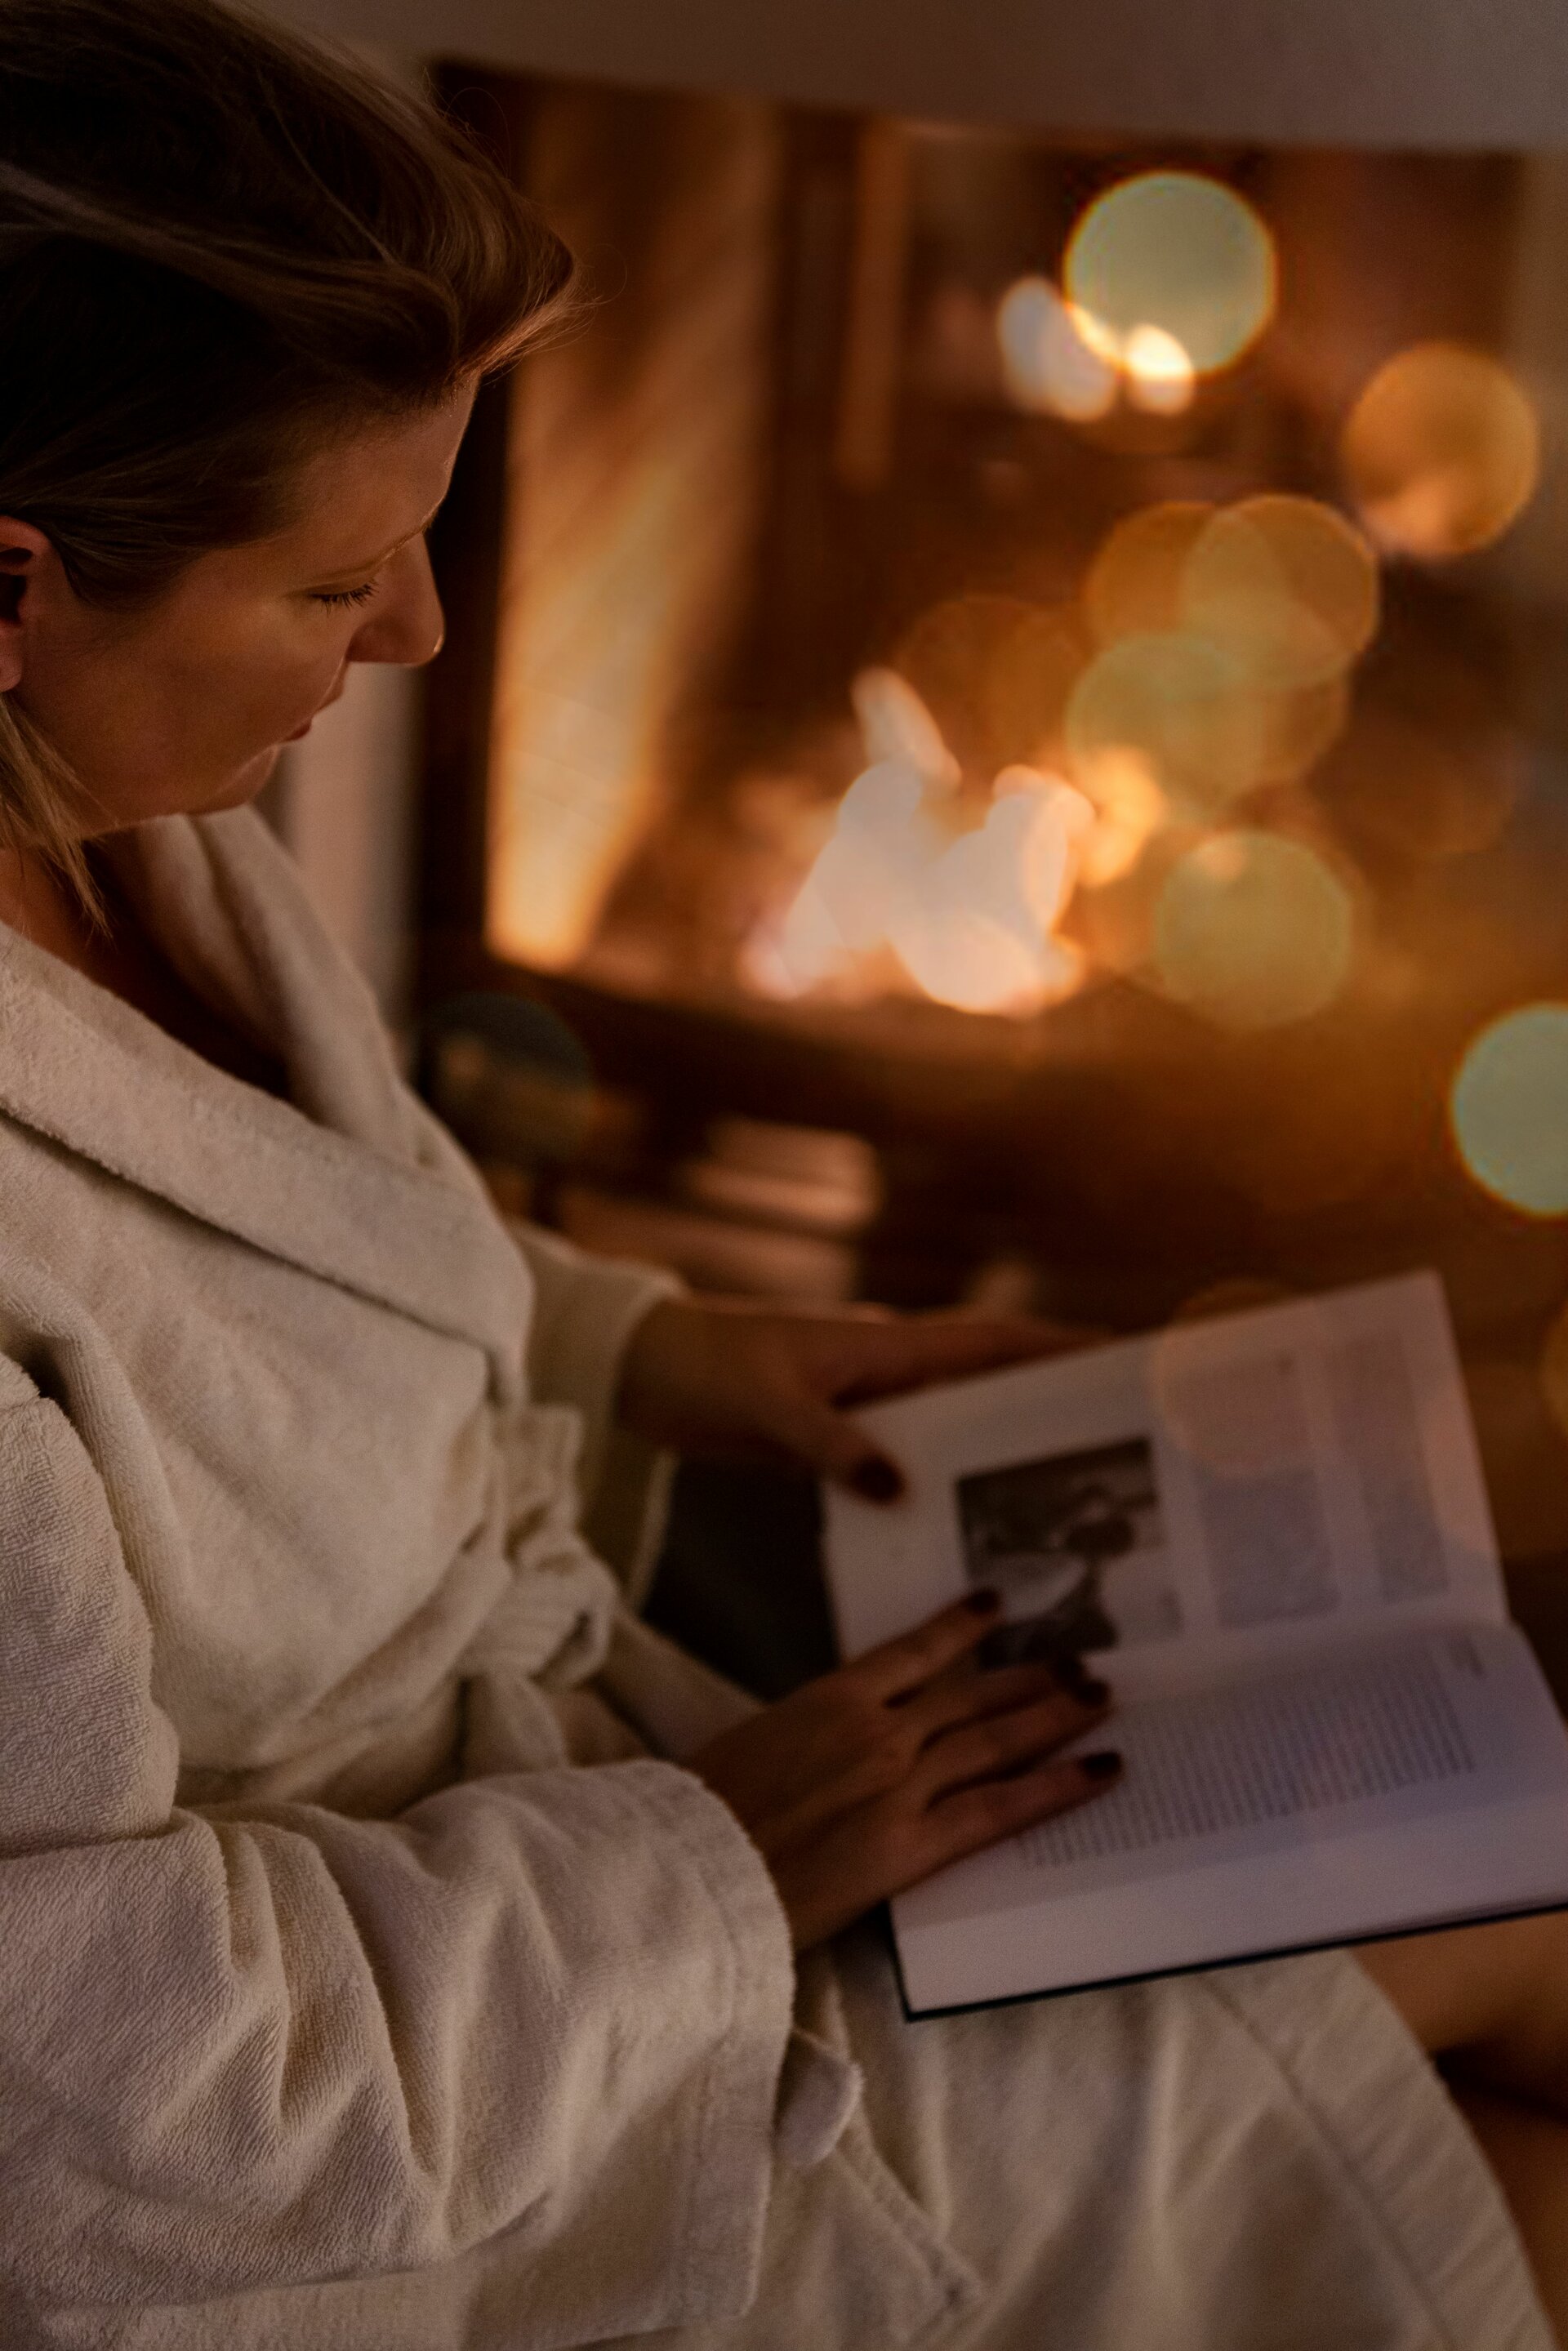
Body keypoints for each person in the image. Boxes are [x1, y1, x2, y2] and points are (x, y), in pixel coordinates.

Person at [0, 4, 1565, 2344]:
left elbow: (271, 1276)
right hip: (499, 2135)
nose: (418, 633)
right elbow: (111, 2107)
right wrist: (737, 1851)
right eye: (340, 586)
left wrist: (663, 1347)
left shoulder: (125, 839)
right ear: (11, 590)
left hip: (619, 1844)